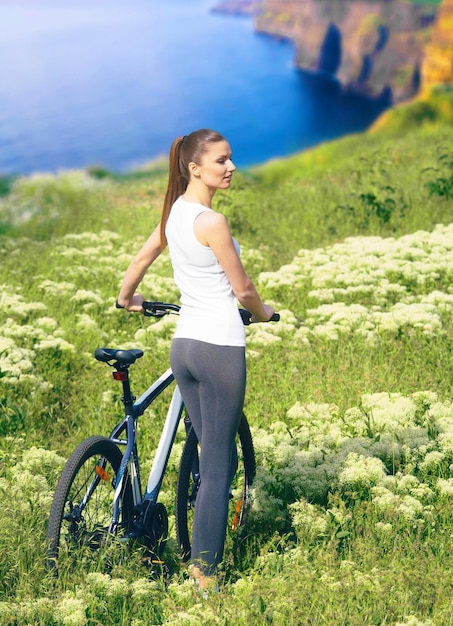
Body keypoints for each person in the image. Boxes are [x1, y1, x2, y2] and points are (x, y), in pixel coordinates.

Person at [117, 128, 274, 590]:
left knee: (207, 454)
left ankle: (191, 547)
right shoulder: (212, 222)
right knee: (218, 466)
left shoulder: (174, 216)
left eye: (231, 159)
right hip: (219, 348)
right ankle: (206, 575)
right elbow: (243, 289)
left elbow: (143, 258)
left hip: (183, 347)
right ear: (195, 167)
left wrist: (128, 299)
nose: (231, 167)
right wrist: (263, 315)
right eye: (222, 160)